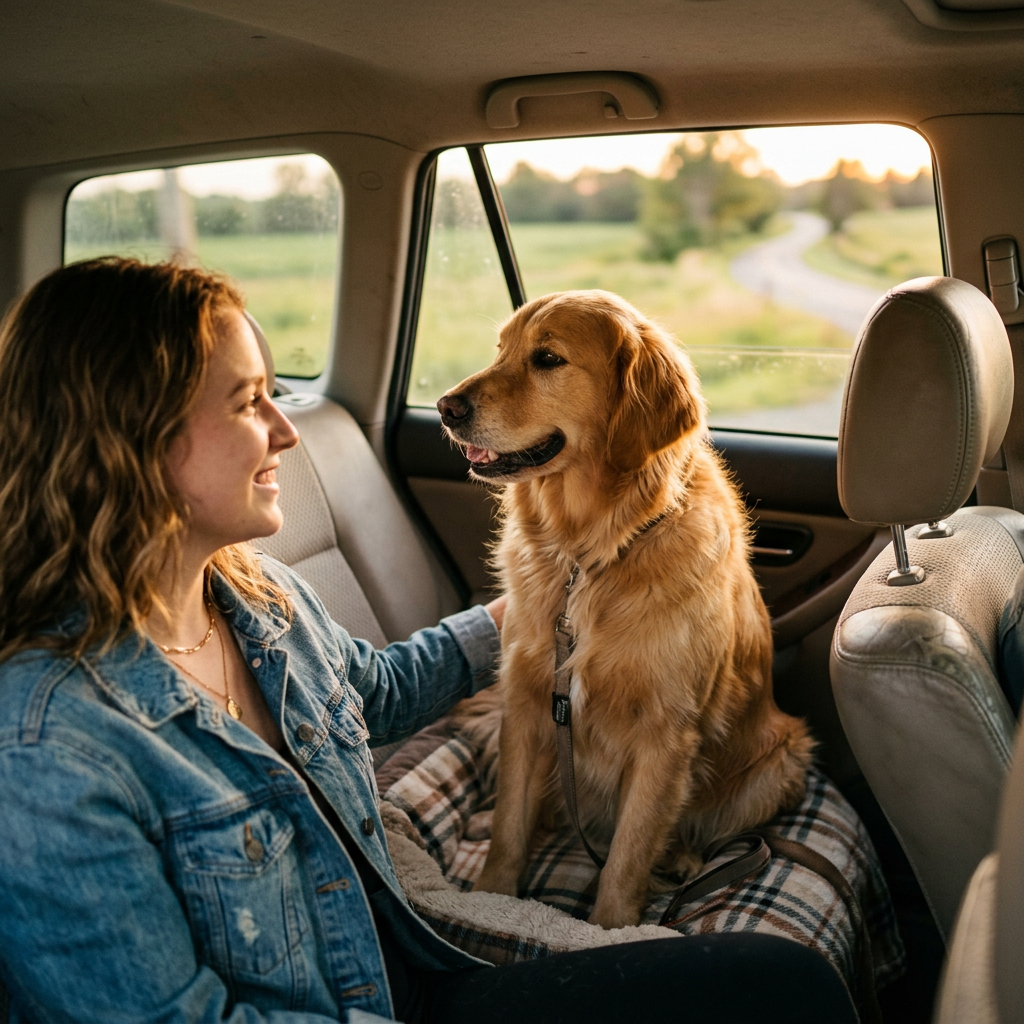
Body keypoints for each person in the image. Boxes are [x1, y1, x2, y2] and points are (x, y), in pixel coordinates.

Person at [0, 258, 857, 1024]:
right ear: (125, 440)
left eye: (274, 393)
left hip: (403, 968)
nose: (287, 430)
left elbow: (377, 688)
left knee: (782, 984)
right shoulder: (46, 749)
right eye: (246, 402)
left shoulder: (255, 598)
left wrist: (554, 610)